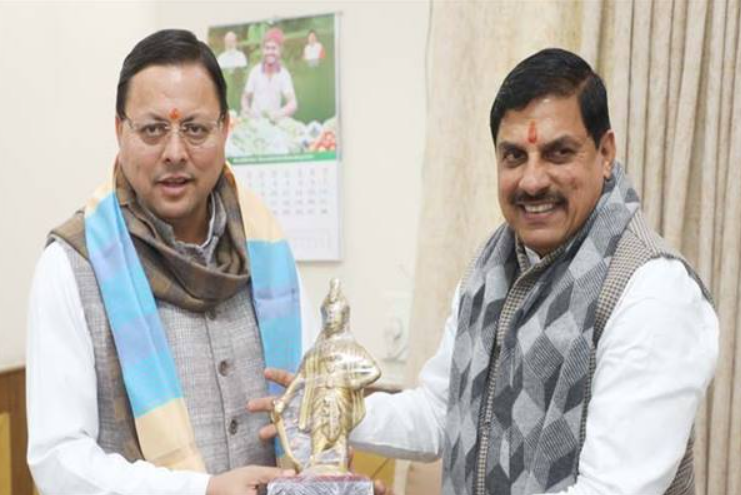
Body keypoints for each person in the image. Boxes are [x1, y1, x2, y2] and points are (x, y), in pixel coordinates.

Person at [253, 48, 719, 495]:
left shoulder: (652, 293)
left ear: (606, 152)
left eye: (559, 153)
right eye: (514, 156)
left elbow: (610, 490)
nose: (532, 180)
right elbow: (442, 411)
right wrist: (330, 408)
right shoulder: (492, 269)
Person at [26, 29, 317, 495]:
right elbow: (58, 460)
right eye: (153, 129)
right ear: (120, 131)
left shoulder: (268, 249)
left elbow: (313, 406)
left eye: (195, 129)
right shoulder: (72, 266)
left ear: (226, 129)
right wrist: (201, 490)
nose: (175, 152)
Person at [273, 279, 381, 473]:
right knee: (317, 438)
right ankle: (314, 470)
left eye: (335, 314)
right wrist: (285, 399)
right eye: (328, 315)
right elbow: (301, 377)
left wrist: (355, 382)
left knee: (340, 440)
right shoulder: (315, 351)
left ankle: (340, 470)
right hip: (319, 397)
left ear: (344, 317)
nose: (331, 319)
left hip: (340, 397)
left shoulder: (351, 348)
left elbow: (374, 371)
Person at [240, 27, 297, 122]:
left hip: (273, 122)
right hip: (255, 122)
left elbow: (293, 103)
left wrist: (279, 114)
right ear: (263, 50)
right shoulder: (255, 71)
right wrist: (246, 110)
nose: (270, 52)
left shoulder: (284, 74)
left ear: (279, 51)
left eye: (274, 48)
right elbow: (245, 98)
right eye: (267, 48)